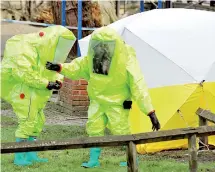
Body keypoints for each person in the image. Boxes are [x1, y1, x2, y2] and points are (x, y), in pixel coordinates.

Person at [46, 27, 161, 168]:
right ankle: (94, 160)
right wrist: (60, 67)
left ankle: (131, 159)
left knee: (121, 132)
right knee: (94, 129)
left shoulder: (126, 57)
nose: (102, 49)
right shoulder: (94, 56)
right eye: (99, 45)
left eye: (105, 45)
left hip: (118, 102)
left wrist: (150, 111)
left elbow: (138, 84)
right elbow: (78, 66)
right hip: (97, 101)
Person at [1, 25, 76, 166]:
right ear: (52, 40)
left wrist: (57, 81)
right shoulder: (25, 47)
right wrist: (47, 84)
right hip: (22, 89)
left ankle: (31, 154)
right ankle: (20, 157)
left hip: (37, 91)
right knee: (28, 120)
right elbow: (23, 73)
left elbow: (52, 71)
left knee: (38, 120)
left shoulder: (46, 51)